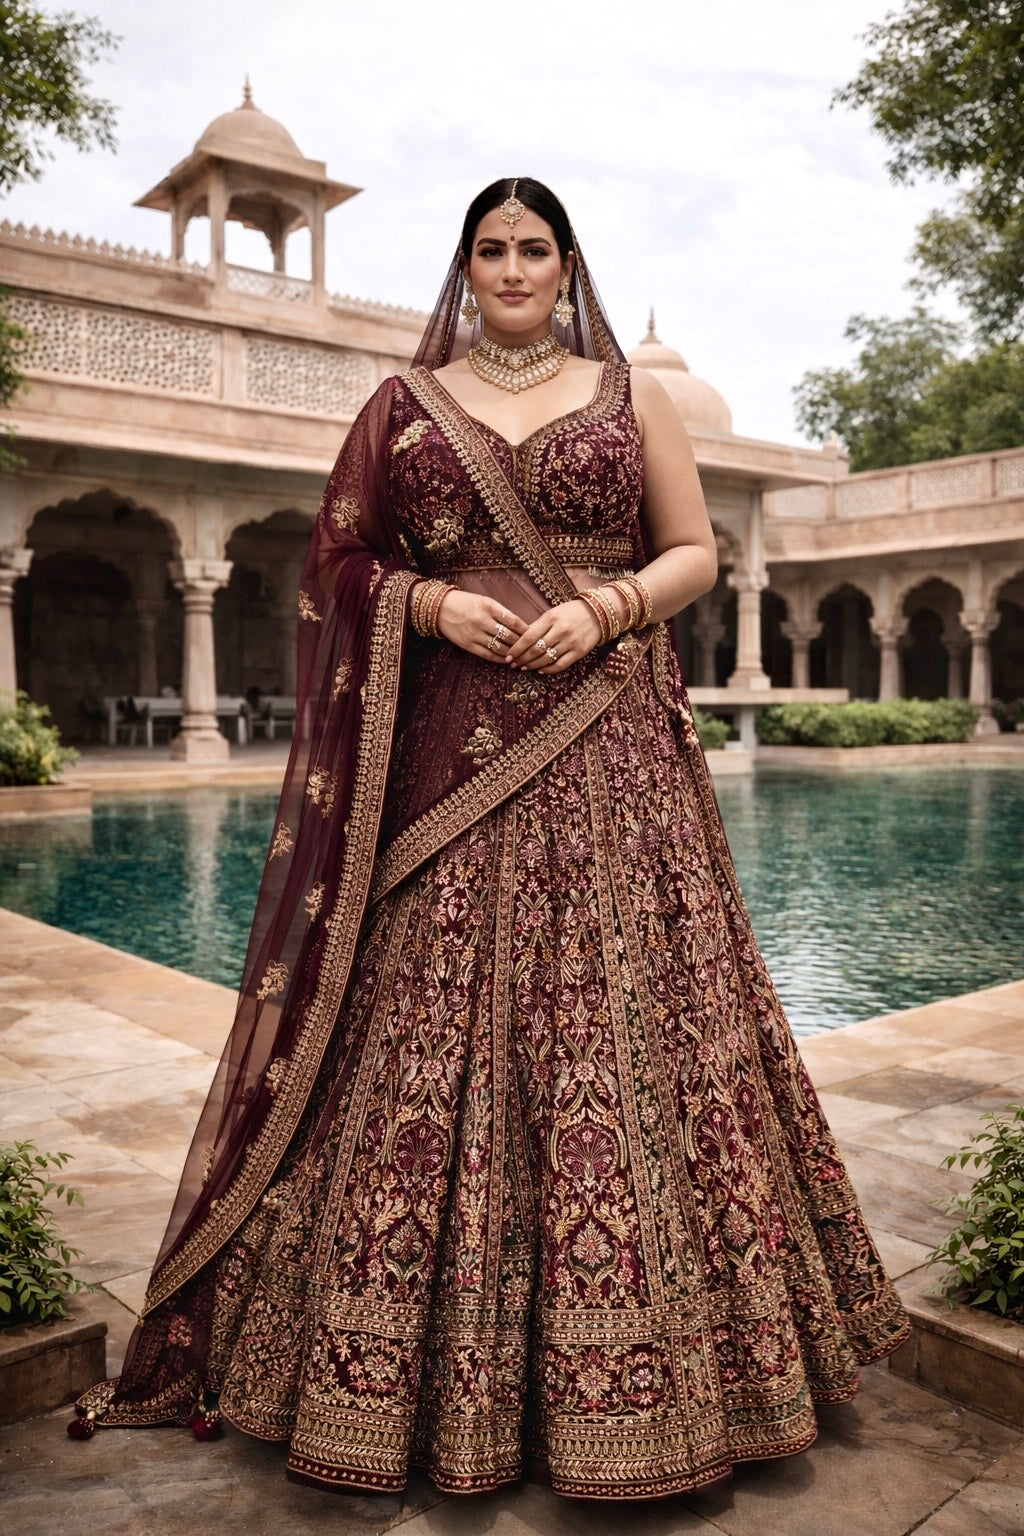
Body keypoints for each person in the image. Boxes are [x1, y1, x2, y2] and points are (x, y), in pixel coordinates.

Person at [71, 178, 910, 1500]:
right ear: (464, 268)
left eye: (535, 248)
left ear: (566, 262)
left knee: (626, 1034)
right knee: (419, 1029)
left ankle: (684, 1383)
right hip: (446, 760)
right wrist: (428, 606)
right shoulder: (404, 408)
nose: (514, 267)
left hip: (611, 748)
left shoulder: (632, 404)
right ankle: (386, 1382)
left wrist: (617, 604)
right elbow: (334, 564)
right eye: (491, 249)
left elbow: (692, 550)